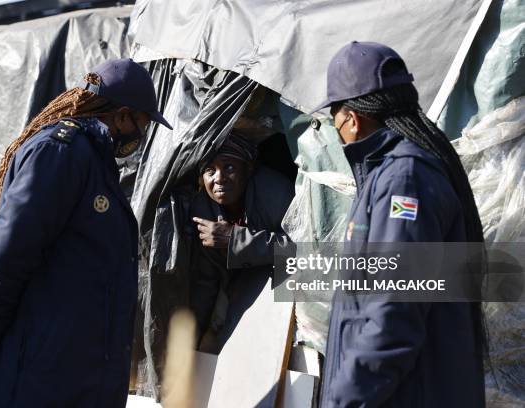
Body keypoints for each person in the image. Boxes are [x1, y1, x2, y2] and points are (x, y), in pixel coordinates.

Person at [0, 58, 171, 407]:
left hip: (72, 376)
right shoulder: (61, 152)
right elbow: (5, 255)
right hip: (43, 377)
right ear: (122, 117)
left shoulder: (92, 160)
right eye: (142, 124)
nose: (142, 136)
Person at [315, 42, 485, 407]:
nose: (337, 131)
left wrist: (343, 400)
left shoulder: (404, 180)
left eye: (334, 121)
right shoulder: (392, 175)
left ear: (352, 119)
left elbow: (394, 310)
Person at [190, 132, 294, 350]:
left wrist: (235, 239)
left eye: (229, 167)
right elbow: (206, 279)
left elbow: (303, 252)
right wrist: (194, 336)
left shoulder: (276, 193)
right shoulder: (203, 208)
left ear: (249, 169)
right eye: (210, 170)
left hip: (280, 288)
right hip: (233, 289)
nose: (218, 178)